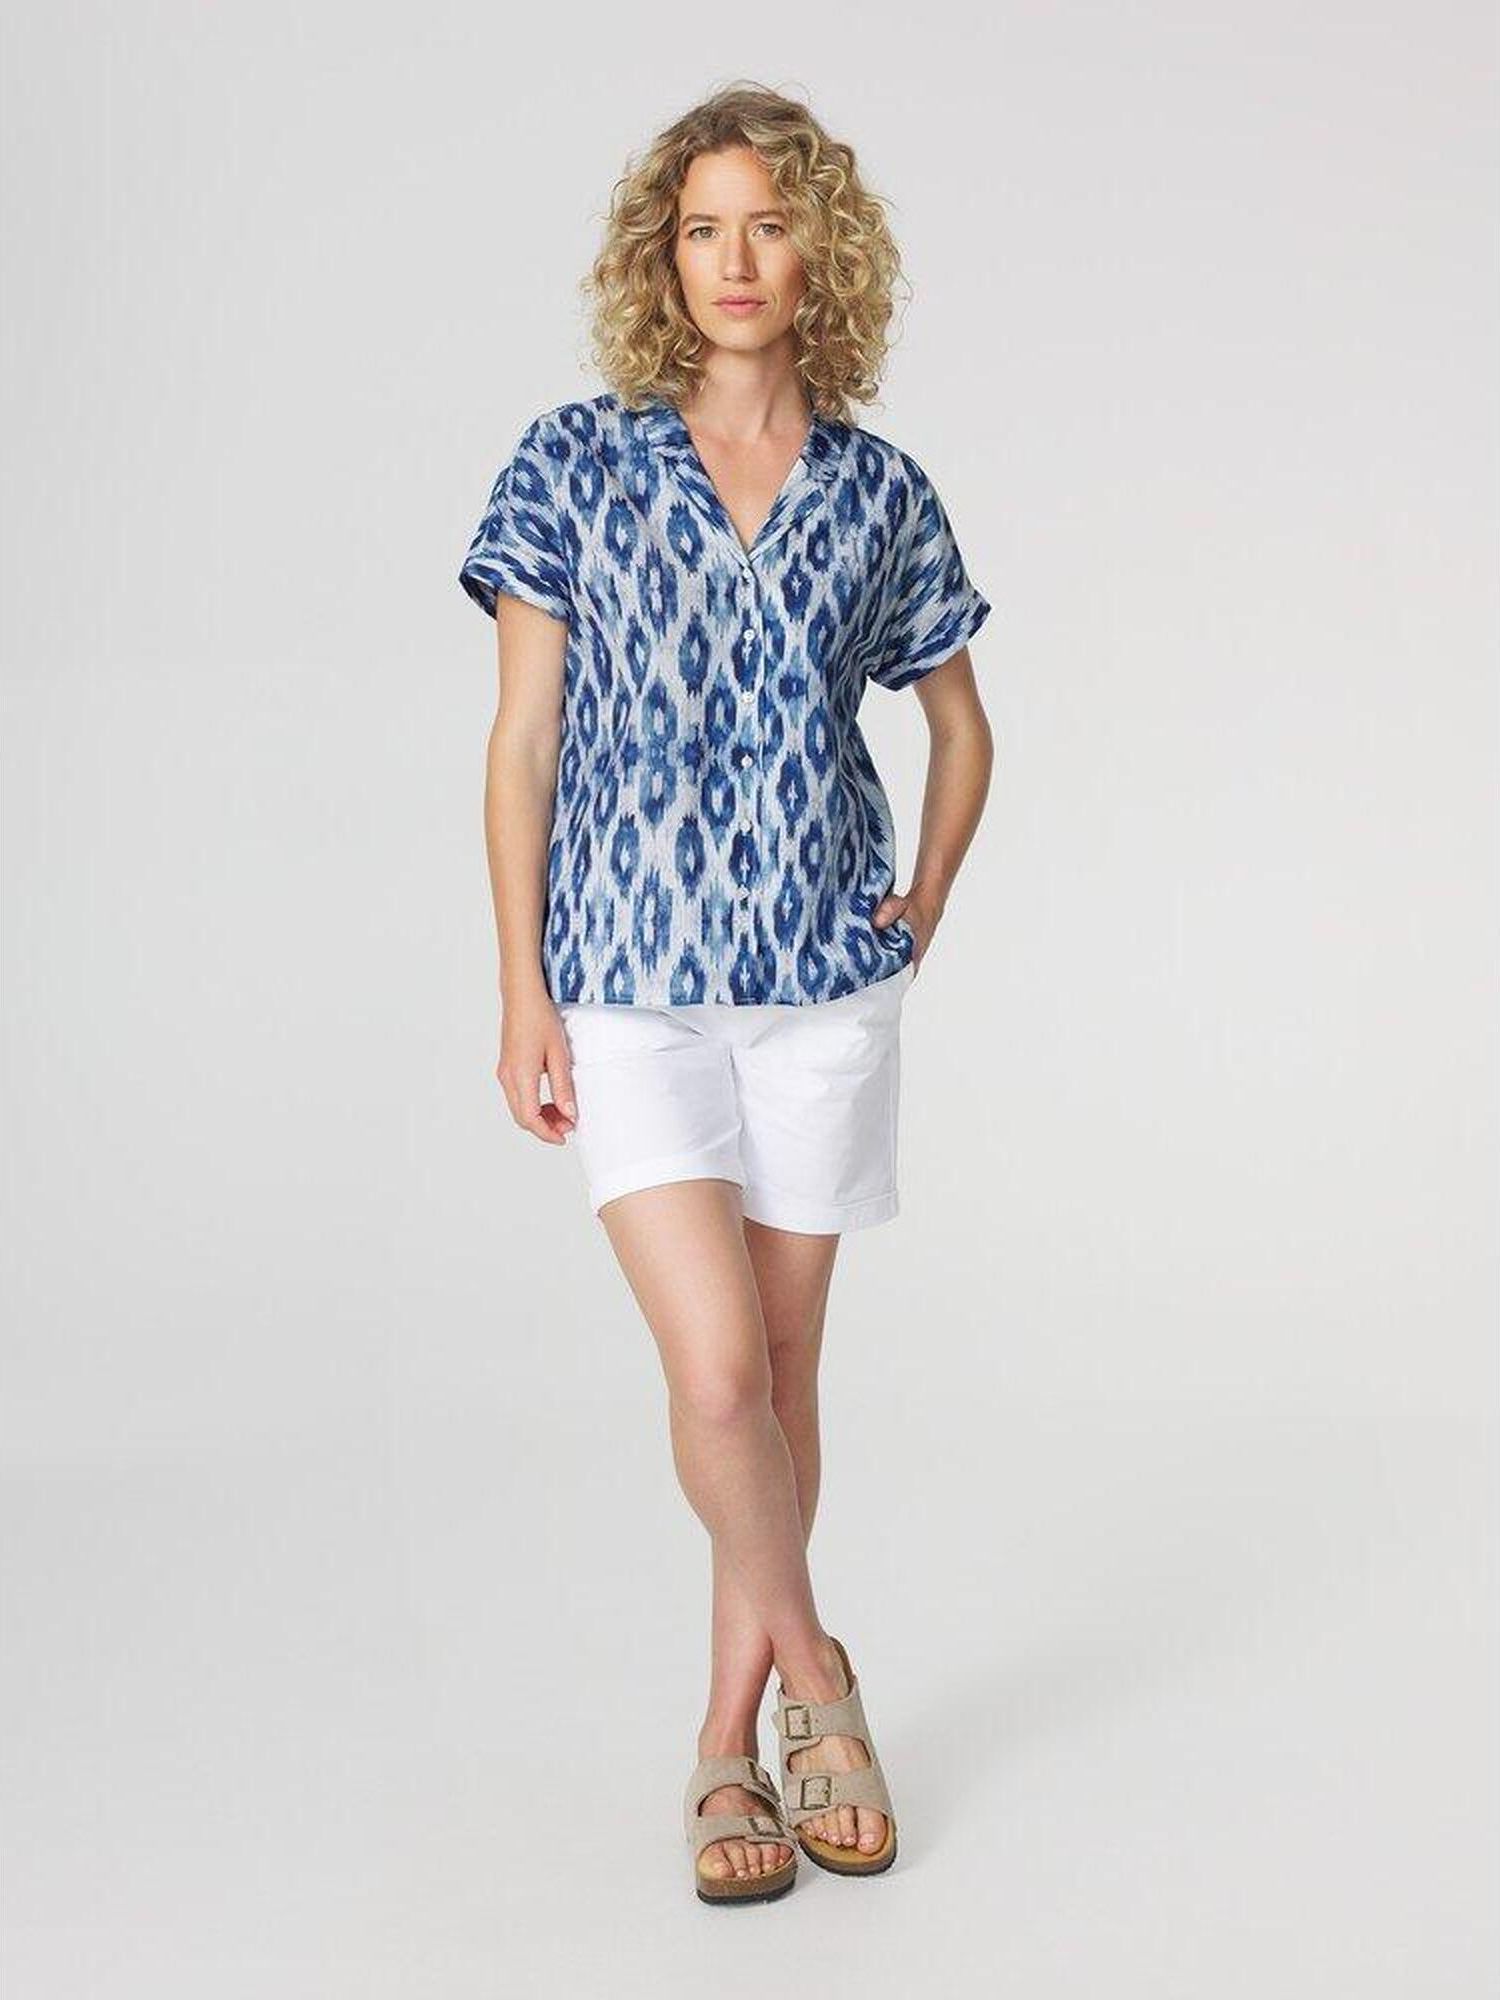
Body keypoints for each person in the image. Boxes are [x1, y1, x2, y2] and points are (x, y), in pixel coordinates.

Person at [457, 83, 995, 1904]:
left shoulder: (881, 491)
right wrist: (521, 988)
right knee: (712, 1375)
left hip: (823, 988)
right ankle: (822, 1680)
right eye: (702, 228)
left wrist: (923, 901)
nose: (735, 259)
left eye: (768, 224)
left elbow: (962, 724)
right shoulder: (572, 463)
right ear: (662, 257)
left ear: (818, 251)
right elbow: (522, 745)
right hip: (627, 983)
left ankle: (722, 1745)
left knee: (779, 1375)